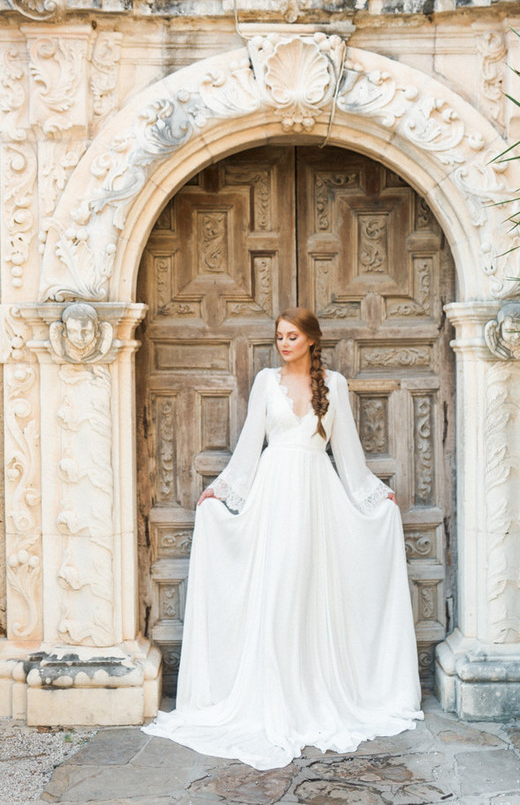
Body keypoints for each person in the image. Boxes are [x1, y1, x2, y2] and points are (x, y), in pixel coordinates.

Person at [143, 307, 423, 770]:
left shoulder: (333, 385)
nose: (284, 343)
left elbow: (349, 453)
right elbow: (250, 445)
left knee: (311, 593)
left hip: (318, 497)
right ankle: (272, 696)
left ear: (311, 339)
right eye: (279, 336)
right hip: (274, 497)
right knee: (276, 590)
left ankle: (312, 694)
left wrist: (375, 496)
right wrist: (222, 492)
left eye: (292, 336)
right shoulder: (264, 383)